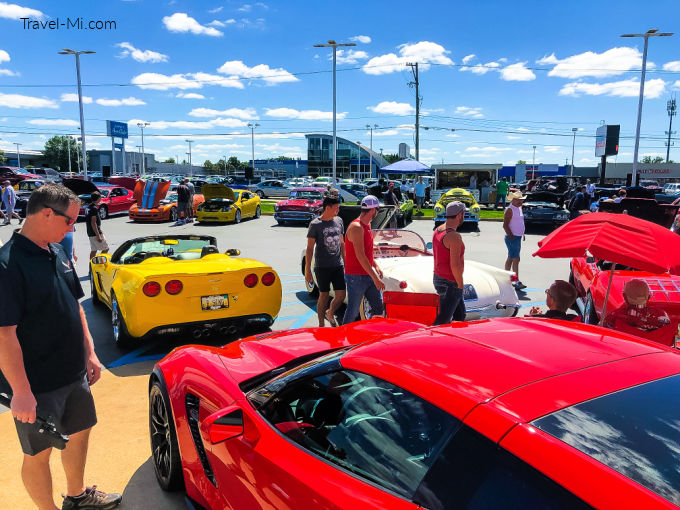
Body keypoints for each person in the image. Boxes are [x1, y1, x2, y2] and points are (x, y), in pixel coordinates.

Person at [0, 183, 122, 510]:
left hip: (73, 372)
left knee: (80, 431)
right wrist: (21, 391)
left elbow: (75, 306)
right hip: (37, 384)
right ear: (47, 214)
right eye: (70, 221)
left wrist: (91, 353)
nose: (73, 228)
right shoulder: (7, 265)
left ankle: (77, 496)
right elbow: (4, 335)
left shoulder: (57, 251)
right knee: (39, 453)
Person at [342, 195, 385, 324]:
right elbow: (360, 255)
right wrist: (375, 277)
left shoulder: (367, 225)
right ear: (373, 210)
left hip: (367, 274)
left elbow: (367, 252)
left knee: (378, 308)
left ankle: (372, 333)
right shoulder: (357, 227)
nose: (378, 212)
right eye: (377, 209)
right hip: (356, 276)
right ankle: (344, 337)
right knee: (353, 311)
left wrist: (375, 265)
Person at [305, 196, 346, 327]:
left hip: (338, 265)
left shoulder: (339, 221)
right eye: (336, 208)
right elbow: (310, 249)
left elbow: (342, 243)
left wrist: (346, 262)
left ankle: (331, 312)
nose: (338, 210)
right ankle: (321, 324)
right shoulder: (315, 224)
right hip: (322, 266)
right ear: (328, 208)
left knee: (341, 295)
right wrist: (308, 271)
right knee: (324, 295)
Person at [602, 280, 672, 341]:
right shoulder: (662, 315)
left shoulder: (614, 316)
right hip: (656, 354)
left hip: (625, 353)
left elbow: (602, 336)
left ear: (624, 297)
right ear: (648, 298)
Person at [432, 202, 466, 325]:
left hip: (439, 277)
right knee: (443, 320)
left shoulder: (439, 229)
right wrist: (460, 284)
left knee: (460, 316)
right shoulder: (454, 236)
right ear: (459, 215)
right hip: (450, 282)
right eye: (464, 214)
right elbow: (455, 265)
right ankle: (433, 341)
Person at [503, 191, 527, 290]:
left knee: (511, 258)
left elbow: (519, 222)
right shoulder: (510, 209)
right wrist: (511, 236)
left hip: (517, 237)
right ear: (513, 200)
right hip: (512, 238)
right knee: (516, 259)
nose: (520, 202)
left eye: (521, 200)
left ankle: (506, 278)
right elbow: (505, 225)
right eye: (518, 200)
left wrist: (522, 234)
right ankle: (516, 281)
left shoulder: (519, 208)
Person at [86, 192, 108, 260]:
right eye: (100, 197)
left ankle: (91, 265)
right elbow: (93, 222)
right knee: (106, 248)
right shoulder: (94, 208)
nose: (101, 198)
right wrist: (98, 236)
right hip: (95, 232)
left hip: (90, 232)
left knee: (94, 250)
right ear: (98, 198)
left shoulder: (89, 207)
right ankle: (98, 263)